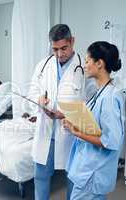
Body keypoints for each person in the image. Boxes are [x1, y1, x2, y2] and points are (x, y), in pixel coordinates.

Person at [28, 24, 85, 200]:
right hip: (46, 131)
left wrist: (66, 114)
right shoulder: (43, 65)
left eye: (64, 48)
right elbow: (32, 91)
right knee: (40, 176)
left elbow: (90, 104)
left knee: (72, 178)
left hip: (70, 133)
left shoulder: (83, 68)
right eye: (55, 49)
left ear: (72, 41)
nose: (59, 54)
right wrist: (39, 100)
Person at [62, 41, 125, 200]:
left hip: (93, 173)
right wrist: (73, 122)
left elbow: (111, 141)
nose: (84, 65)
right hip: (86, 168)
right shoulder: (100, 93)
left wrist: (76, 132)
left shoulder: (110, 97)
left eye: (87, 60)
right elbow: (94, 125)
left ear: (99, 63)